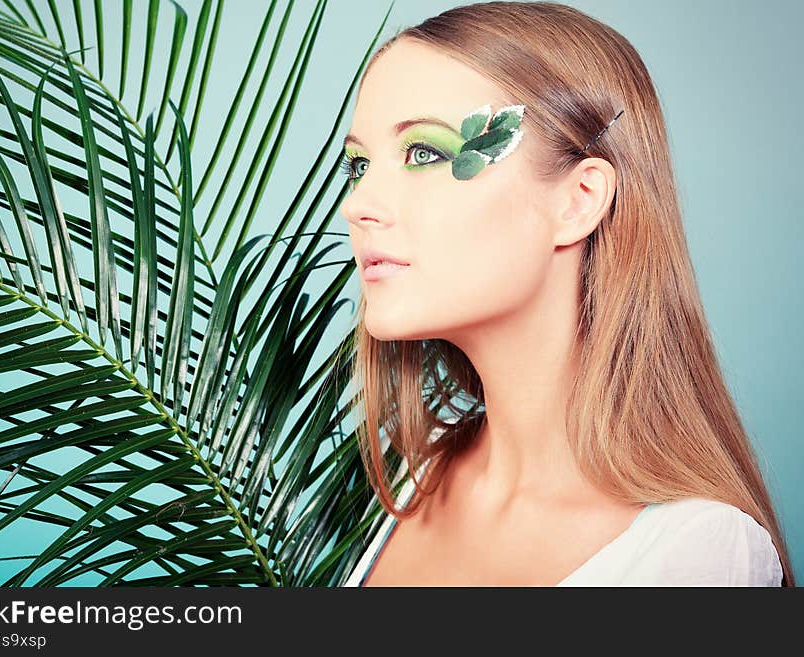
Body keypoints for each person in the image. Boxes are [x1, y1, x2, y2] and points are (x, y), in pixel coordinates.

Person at [336, 1, 794, 586]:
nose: (358, 205)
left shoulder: (698, 553)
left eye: (425, 153)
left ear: (578, 200)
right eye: (358, 165)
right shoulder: (418, 483)